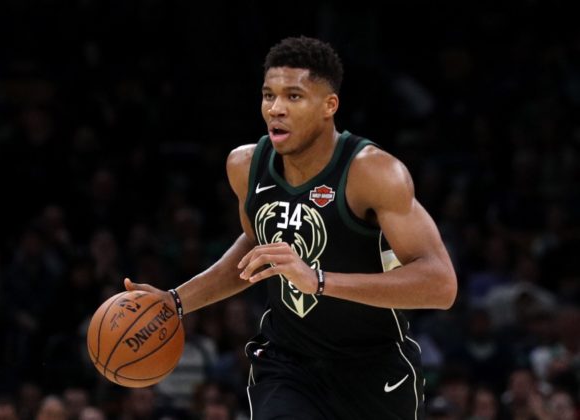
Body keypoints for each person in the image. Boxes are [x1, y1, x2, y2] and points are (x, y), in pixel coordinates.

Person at [125, 35, 457, 419]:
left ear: (329, 106)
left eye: (293, 96)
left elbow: (441, 285)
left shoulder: (373, 172)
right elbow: (256, 249)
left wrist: (318, 280)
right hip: (288, 364)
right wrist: (176, 302)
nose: (276, 109)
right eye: (269, 96)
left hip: (374, 367)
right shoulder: (245, 166)